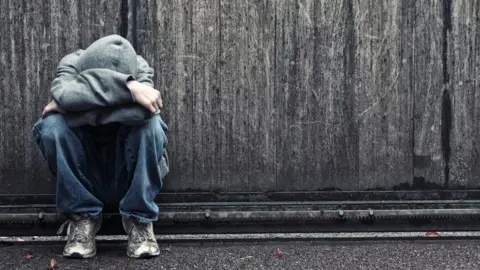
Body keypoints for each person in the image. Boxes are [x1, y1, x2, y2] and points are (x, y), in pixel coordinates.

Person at [32, 34, 169, 259]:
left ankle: (139, 220)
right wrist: (129, 89)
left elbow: (144, 111)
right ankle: (82, 218)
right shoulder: (72, 63)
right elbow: (65, 95)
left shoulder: (139, 65)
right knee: (51, 125)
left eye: (129, 82)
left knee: (151, 125)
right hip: (86, 168)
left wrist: (76, 106)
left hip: (126, 168)